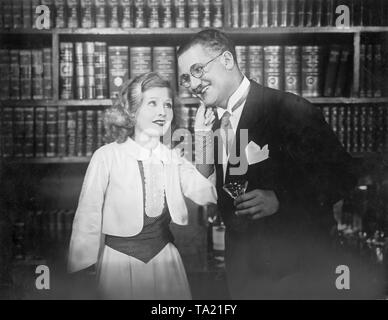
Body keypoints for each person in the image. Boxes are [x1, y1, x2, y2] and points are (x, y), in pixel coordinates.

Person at [177, 29, 376, 299]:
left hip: (299, 274)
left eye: (198, 69)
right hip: (243, 279)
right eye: (186, 77)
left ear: (226, 60)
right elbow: (208, 195)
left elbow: (342, 174)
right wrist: (202, 146)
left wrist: (281, 199)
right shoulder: (208, 124)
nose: (193, 83)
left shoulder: (288, 107)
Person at [67, 72, 217, 299]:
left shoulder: (171, 156)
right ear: (132, 110)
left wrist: (204, 135)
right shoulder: (107, 156)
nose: (162, 112)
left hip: (166, 261)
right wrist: (80, 271)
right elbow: (88, 216)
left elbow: (206, 193)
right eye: (152, 103)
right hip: (118, 263)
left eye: (167, 104)